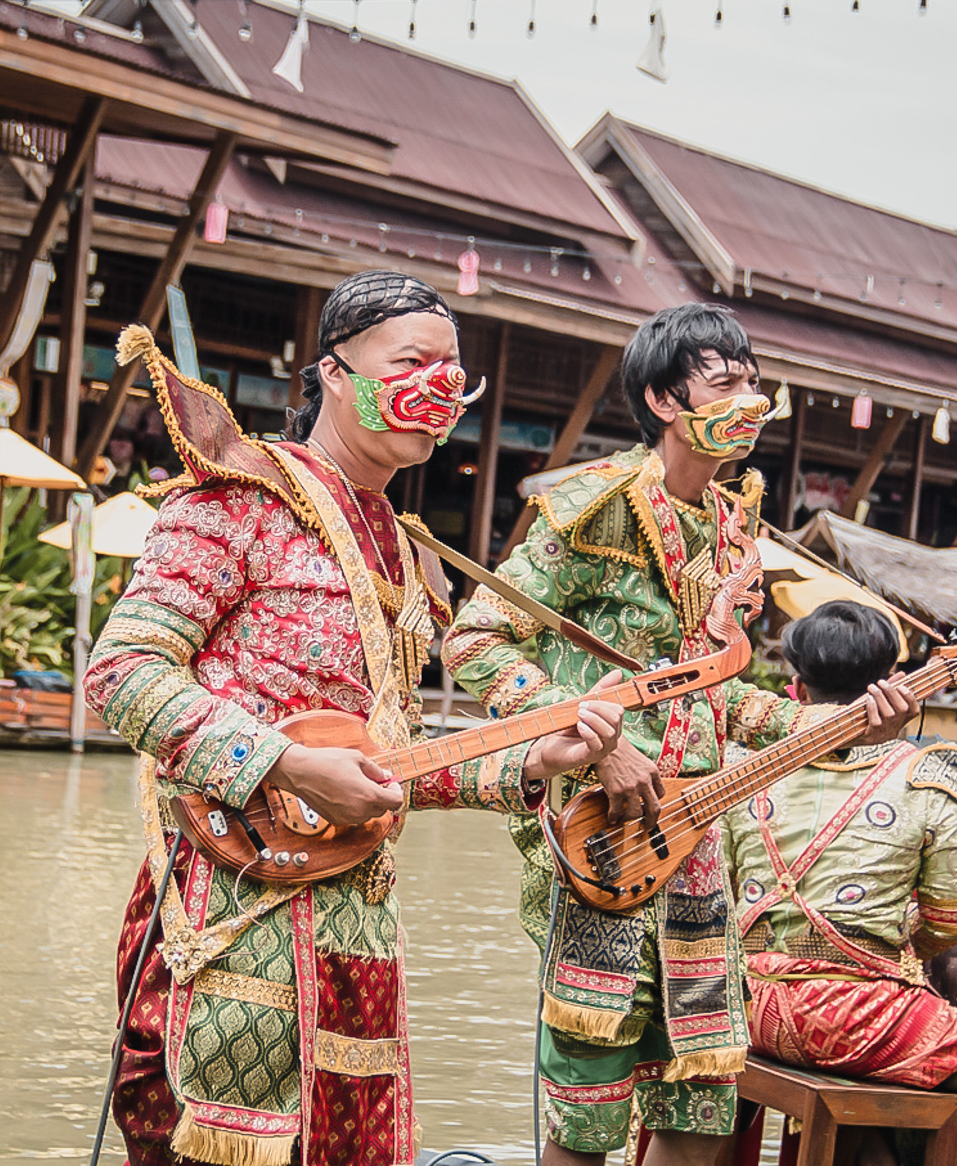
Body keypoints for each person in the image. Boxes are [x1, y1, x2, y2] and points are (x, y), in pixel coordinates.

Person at [84, 269, 626, 1166]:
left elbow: (390, 761)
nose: (438, 387)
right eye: (412, 361)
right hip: (231, 903)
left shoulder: (408, 553)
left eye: (453, 371)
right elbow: (122, 671)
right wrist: (281, 766)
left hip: (356, 917)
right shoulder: (241, 498)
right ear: (333, 373)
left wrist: (534, 759)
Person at [443, 304, 919, 1165]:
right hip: (603, 836)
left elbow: (724, 703)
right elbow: (475, 638)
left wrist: (844, 723)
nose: (753, 400)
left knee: (699, 1091)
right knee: (587, 1093)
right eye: (727, 382)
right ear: (665, 400)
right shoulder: (594, 510)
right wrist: (598, 740)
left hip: (698, 837)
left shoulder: (733, 530)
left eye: (755, 382)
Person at [720, 601, 957, 1166]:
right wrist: (901, 942)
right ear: (892, 686)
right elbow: (954, 918)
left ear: (795, 689)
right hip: (859, 1021)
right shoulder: (924, 780)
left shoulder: (743, 766)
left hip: (746, 1006)